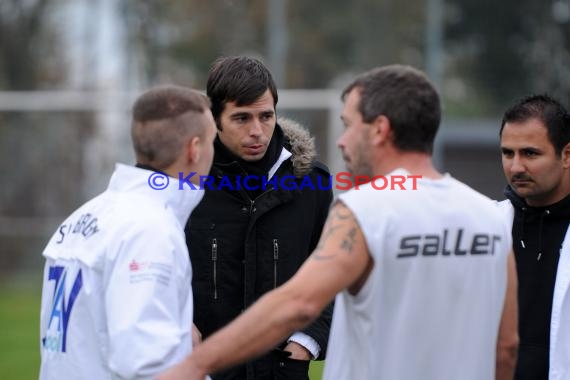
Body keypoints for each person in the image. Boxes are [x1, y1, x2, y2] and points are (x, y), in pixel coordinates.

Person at [160, 64, 519, 380]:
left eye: (348, 125)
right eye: (242, 118)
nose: (342, 140)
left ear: (379, 129)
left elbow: (299, 303)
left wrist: (194, 365)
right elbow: (507, 347)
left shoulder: (362, 211)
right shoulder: (490, 217)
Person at [39, 85, 217, 379]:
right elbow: (149, 366)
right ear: (194, 149)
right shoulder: (149, 230)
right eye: (212, 141)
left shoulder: (84, 216)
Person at [185, 55, 333, 380]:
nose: (257, 131)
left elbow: (332, 275)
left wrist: (305, 343)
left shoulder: (313, 183)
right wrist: (180, 325)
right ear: (214, 119)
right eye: (241, 118)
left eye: (266, 116)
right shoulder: (185, 186)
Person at [497, 94, 570, 380]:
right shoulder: (487, 225)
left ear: (566, 155)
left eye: (530, 153)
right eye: (507, 153)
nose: (516, 167)